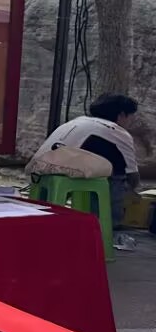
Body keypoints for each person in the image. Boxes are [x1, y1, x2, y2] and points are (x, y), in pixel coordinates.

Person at [32, 94, 141, 251]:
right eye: (131, 116)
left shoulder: (77, 121)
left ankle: (41, 227)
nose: (132, 121)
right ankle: (104, 229)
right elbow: (132, 174)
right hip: (67, 170)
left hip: (39, 170)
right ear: (122, 115)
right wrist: (132, 191)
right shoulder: (117, 131)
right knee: (116, 177)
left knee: (99, 172)